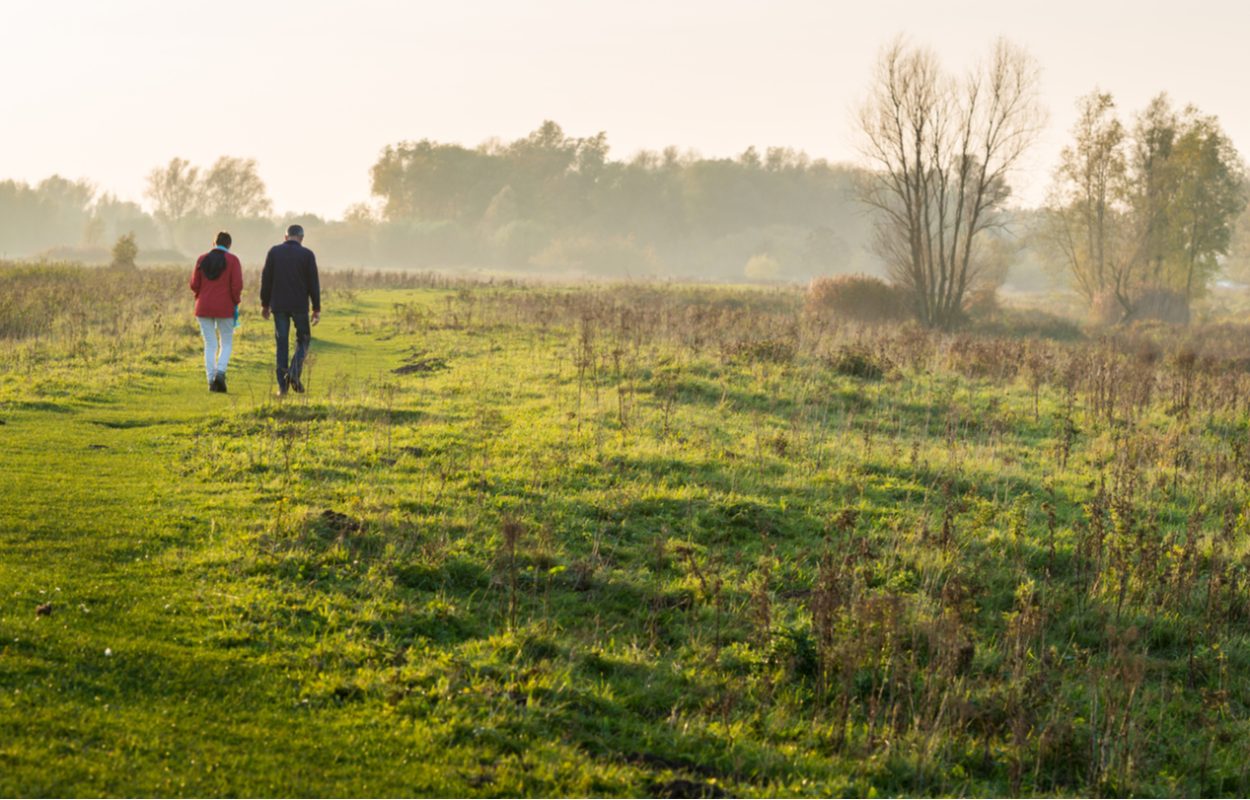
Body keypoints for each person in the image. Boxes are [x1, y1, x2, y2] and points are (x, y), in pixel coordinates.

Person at [260, 224, 321, 395]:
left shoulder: (274, 252)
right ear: (301, 238)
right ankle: (294, 372)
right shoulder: (307, 255)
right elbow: (313, 284)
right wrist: (316, 308)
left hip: (278, 306)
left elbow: (266, 280)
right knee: (304, 339)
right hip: (300, 306)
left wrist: (265, 304)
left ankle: (282, 387)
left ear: (285, 237)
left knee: (282, 344)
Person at [190, 231, 243, 393]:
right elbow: (237, 286)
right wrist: (235, 301)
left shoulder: (202, 259)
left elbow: (193, 284)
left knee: (210, 344)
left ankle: (211, 379)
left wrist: (202, 294)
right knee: (226, 343)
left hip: (203, 307)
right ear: (229, 245)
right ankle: (220, 372)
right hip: (225, 307)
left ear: (214, 243)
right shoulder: (233, 261)